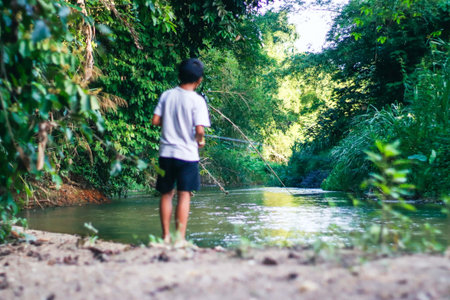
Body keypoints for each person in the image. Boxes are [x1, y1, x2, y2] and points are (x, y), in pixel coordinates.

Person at [152, 58, 210, 245]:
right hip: (187, 155)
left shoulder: (167, 95)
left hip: (166, 153)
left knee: (166, 194)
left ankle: (165, 236)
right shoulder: (197, 100)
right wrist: (200, 141)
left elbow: (155, 120)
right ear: (199, 80)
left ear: (179, 75)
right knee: (184, 194)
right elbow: (199, 130)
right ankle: (180, 239)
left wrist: (167, 123)